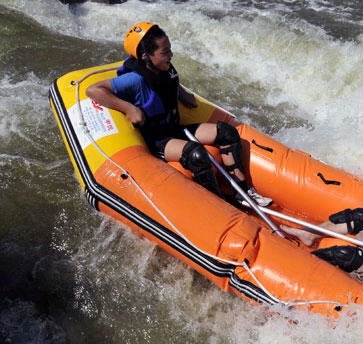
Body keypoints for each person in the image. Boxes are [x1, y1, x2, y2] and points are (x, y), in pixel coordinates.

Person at [86, 22, 272, 206]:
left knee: (227, 133)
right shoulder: (134, 80)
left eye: (170, 49)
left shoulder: (165, 69)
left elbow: (168, 84)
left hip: (174, 128)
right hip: (157, 140)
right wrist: (129, 108)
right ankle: (219, 205)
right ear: (146, 56)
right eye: (165, 52)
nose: (171, 55)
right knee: (196, 155)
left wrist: (183, 94)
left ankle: (243, 192)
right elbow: (94, 90)